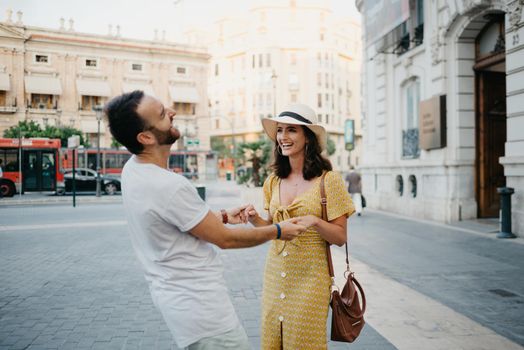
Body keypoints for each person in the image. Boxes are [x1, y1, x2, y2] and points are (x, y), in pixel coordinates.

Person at [104, 90, 306, 350]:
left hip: (178, 305)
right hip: (204, 315)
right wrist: (278, 230)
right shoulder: (168, 185)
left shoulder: (133, 169)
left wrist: (221, 216)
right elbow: (226, 239)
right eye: (163, 114)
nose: (173, 113)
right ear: (146, 137)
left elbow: (176, 221)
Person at [241, 104, 355, 349]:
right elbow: (273, 229)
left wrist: (315, 221)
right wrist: (255, 221)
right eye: (280, 130)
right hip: (275, 275)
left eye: (291, 130)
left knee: (304, 343)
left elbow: (340, 237)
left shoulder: (329, 181)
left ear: (308, 138)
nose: (283, 137)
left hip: (311, 279)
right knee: (273, 340)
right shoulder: (272, 181)